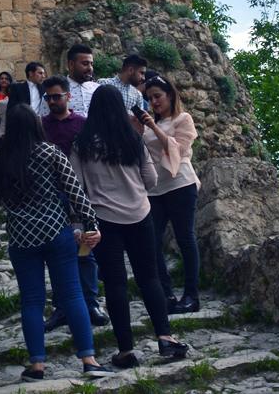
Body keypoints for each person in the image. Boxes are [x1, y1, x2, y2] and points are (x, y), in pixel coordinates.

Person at [0, 104, 110, 381]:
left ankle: (37, 365)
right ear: (35, 125)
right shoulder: (50, 153)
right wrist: (91, 224)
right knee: (73, 295)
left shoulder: (2, 159)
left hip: (21, 237)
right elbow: (75, 191)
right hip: (56, 232)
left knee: (31, 301)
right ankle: (89, 360)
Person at [70, 86, 189, 369]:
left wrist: (78, 225)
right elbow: (150, 181)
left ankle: (126, 351)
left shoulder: (81, 144)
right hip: (140, 215)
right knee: (150, 278)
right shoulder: (133, 140)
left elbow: (76, 188)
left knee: (115, 284)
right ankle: (165, 337)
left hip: (104, 221)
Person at [40, 76, 108, 330]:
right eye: (48, 97)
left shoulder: (82, 124)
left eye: (57, 96)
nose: (52, 101)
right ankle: (62, 307)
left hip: (80, 194)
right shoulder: (42, 127)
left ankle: (91, 302)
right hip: (51, 197)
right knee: (58, 252)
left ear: (68, 96)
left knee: (86, 251)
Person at [138, 76, 202, 314]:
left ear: (170, 95)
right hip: (155, 188)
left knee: (185, 237)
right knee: (151, 243)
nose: (153, 101)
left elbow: (179, 149)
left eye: (157, 96)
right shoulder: (147, 126)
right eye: (150, 97)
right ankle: (166, 294)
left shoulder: (182, 119)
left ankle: (191, 295)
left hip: (180, 184)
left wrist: (153, 127)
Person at [66, 44, 99, 116]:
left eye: (91, 64)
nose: (90, 68)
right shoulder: (57, 92)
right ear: (71, 64)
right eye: (85, 63)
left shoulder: (98, 89)